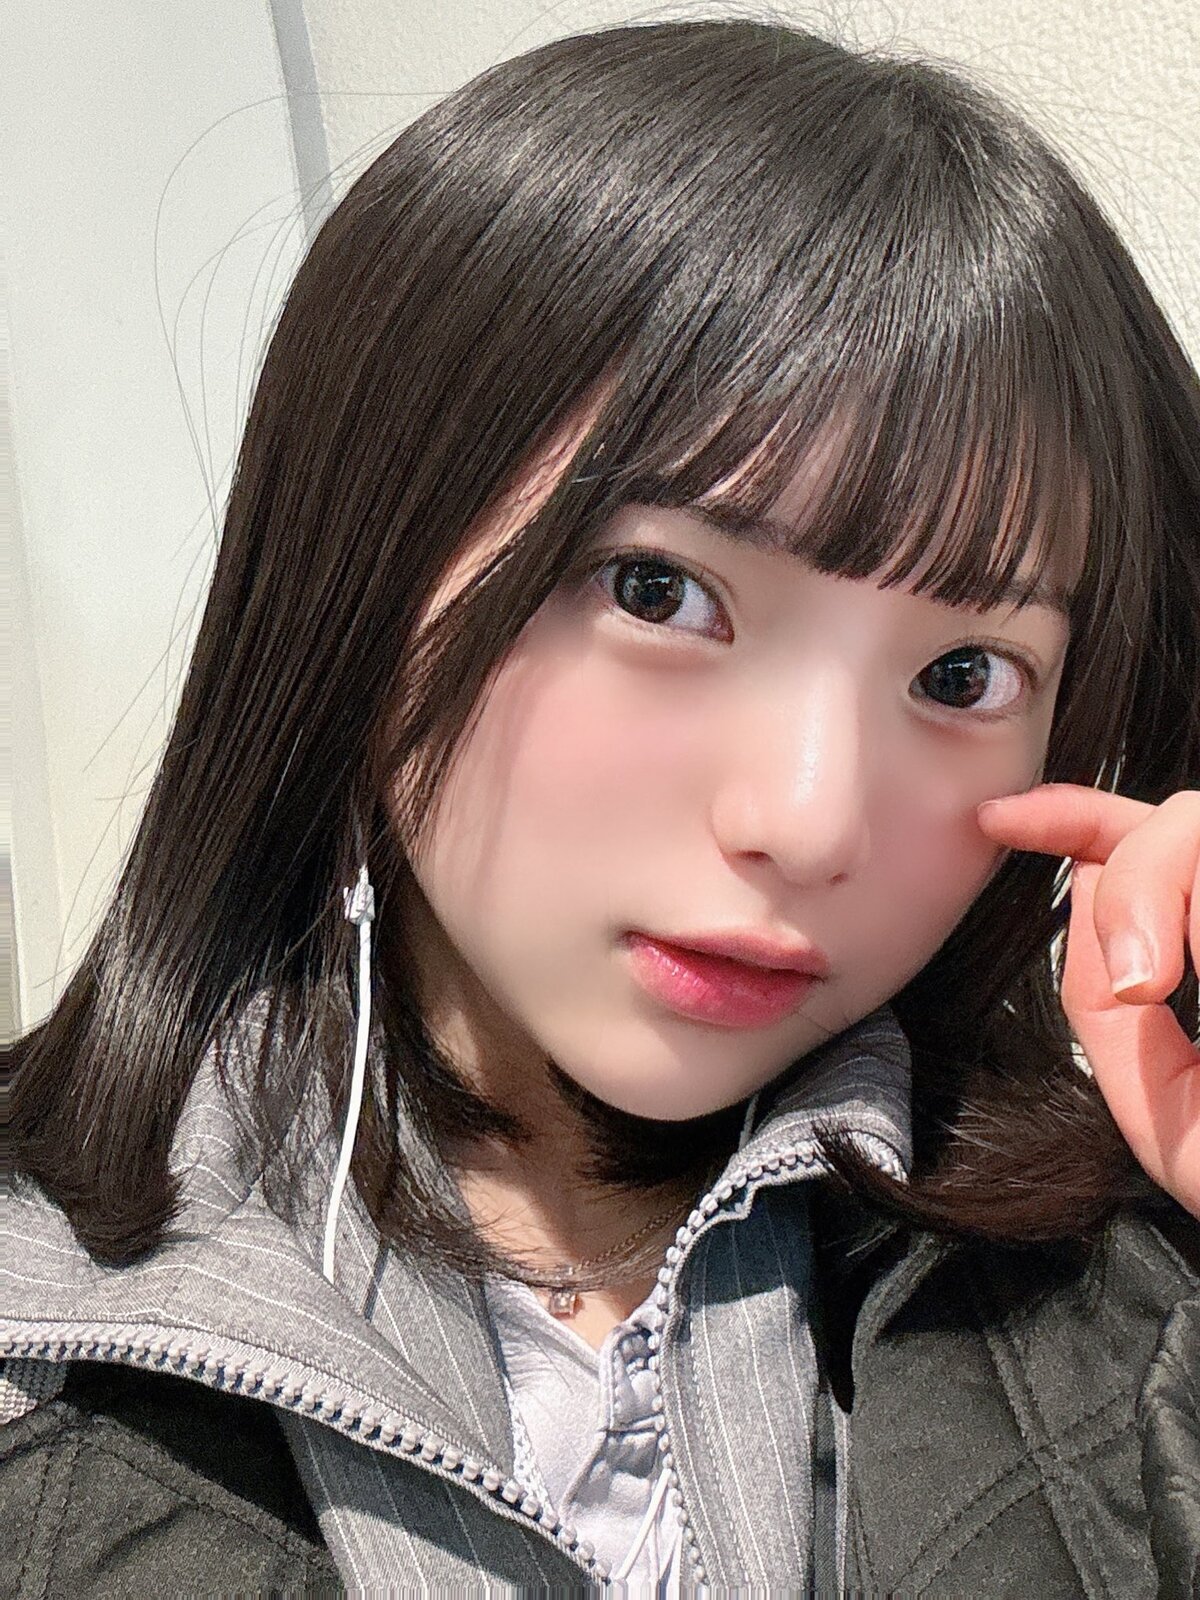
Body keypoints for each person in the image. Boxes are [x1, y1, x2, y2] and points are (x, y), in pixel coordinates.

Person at [4, 16, 1198, 1595]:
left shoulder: (1128, 1303)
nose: (809, 823)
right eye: (658, 590)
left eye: (964, 675)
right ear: (361, 569)